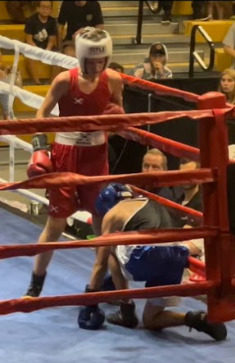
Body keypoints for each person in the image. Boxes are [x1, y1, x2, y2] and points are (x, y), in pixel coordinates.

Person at [24, 27, 124, 297]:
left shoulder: (113, 80)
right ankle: (36, 285)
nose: (98, 65)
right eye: (92, 60)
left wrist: (110, 127)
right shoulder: (64, 81)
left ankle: (104, 285)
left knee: (101, 223)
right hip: (66, 155)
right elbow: (42, 112)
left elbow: (120, 117)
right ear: (81, 58)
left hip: (96, 156)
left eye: (102, 60)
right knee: (56, 224)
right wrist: (39, 146)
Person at [78, 183, 226, 341]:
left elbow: (100, 264)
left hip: (147, 256)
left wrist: (90, 299)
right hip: (175, 256)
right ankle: (195, 319)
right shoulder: (149, 201)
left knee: (109, 250)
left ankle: (126, 309)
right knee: (151, 320)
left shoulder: (112, 214)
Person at [24, 1, 57, 84]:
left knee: (58, 57)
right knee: (29, 57)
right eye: (43, 7)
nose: (45, 10)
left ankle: (52, 82)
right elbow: (29, 40)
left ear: (51, 10)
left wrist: (47, 50)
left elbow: (52, 39)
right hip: (33, 46)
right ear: (38, 8)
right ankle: (37, 82)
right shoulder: (31, 20)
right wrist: (37, 51)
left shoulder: (52, 21)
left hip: (47, 47)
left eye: (48, 7)